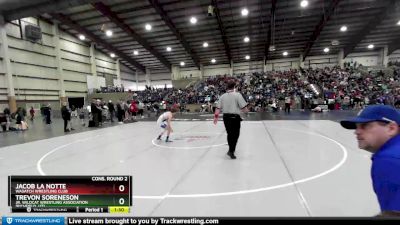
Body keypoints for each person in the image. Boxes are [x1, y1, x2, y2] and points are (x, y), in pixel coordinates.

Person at [340, 105, 400, 217]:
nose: (356, 132)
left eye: (365, 126)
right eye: (356, 127)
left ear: (391, 128)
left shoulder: (388, 160)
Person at [214, 80, 248, 159]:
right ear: (234, 87)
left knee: (230, 134)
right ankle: (231, 151)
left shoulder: (222, 96)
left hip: (226, 118)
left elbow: (218, 108)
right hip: (235, 118)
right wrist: (246, 112)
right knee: (235, 134)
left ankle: (231, 149)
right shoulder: (237, 95)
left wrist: (215, 118)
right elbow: (244, 108)